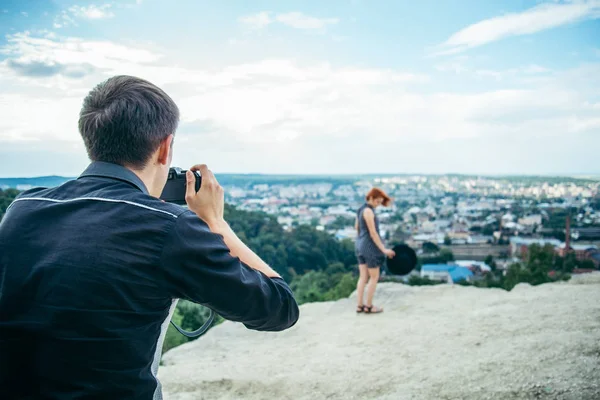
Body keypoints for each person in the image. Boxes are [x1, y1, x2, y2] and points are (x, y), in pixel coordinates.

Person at [0, 75, 300, 400]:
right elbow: (280, 308)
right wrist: (215, 221)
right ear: (165, 147)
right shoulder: (169, 228)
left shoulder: (24, 207)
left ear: (90, 139)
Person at [354, 188, 395, 314]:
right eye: (377, 201)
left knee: (363, 277)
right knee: (374, 277)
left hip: (360, 245)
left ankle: (359, 305)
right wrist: (383, 249)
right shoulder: (369, 211)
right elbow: (373, 232)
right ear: (371, 198)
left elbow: (357, 227)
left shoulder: (360, 209)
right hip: (370, 247)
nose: (378, 204)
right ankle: (369, 306)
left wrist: (362, 239)